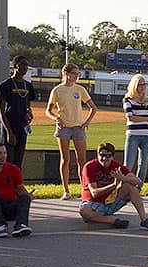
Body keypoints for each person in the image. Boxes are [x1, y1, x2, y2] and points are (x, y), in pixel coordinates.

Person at [46, 63, 97, 200]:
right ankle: (66, 190)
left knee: (82, 160)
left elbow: (93, 107)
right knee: (65, 158)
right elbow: (48, 110)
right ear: (66, 73)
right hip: (64, 127)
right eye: (74, 73)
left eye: (77, 74)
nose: (76, 76)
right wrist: (56, 118)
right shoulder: (57, 90)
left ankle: (84, 189)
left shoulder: (80, 89)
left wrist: (86, 122)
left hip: (78, 127)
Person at [79, 142, 148, 230]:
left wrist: (123, 178)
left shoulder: (115, 166)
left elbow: (138, 181)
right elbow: (94, 193)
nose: (104, 158)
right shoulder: (89, 167)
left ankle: (144, 220)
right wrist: (114, 185)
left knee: (130, 186)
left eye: (108, 156)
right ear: (97, 155)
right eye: (101, 155)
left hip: (110, 202)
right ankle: (114, 221)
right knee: (84, 212)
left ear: (112, 157)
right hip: (93, 204)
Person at [0, 55, 35, 167]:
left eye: (26, 65)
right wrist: (8, 131)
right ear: (15, 66)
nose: (25, 67)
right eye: (22, 64)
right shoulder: (6, 85)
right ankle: (6, 183)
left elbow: (28, 105)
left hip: (22, 128)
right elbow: (1, 109)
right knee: (8, 160)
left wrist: (29, 113)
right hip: (10, 126)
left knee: (18, 160)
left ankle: (16, 183)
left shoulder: (28, 85)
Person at [122, 74, 148, 185]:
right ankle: (123, 187)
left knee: (143, 164)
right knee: (128, 164)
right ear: (134, 86)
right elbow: (130, 117)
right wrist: (147, 119)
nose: (142, 87)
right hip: (133, 135)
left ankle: (138, 188)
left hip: (147, 135)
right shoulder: (128, 100)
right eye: (140, 85)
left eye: (144, 84)